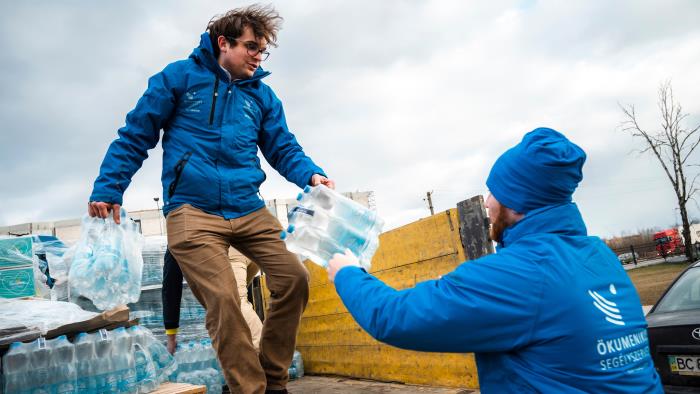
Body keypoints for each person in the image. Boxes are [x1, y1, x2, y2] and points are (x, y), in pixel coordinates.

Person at [87, 5, 333, 393]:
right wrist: (108, 188)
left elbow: (283, 147)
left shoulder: (262, 96)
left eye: (263, 50)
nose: (258, 56)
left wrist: (311, 174)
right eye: (252, 47)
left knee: (294, 279)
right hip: (191, 211)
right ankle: (248, 389)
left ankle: (273, 378)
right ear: (224, 42)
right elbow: (135, 135)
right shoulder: (179, 78)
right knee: (224, 299)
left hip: (248, 207)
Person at [327, 128, 662, 393]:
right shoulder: (600, 257)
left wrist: (347, 273)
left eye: (494, 191)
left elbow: (396, 318)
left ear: (518, 203)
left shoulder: (522, 275)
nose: (487, 202)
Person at [162, 247, 263, 355]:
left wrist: (171, 336)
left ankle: (265, 357)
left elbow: (171, 285)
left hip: (230, 250)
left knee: (235, 303)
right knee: (230, 307)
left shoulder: (178, 238)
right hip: (252, 247)